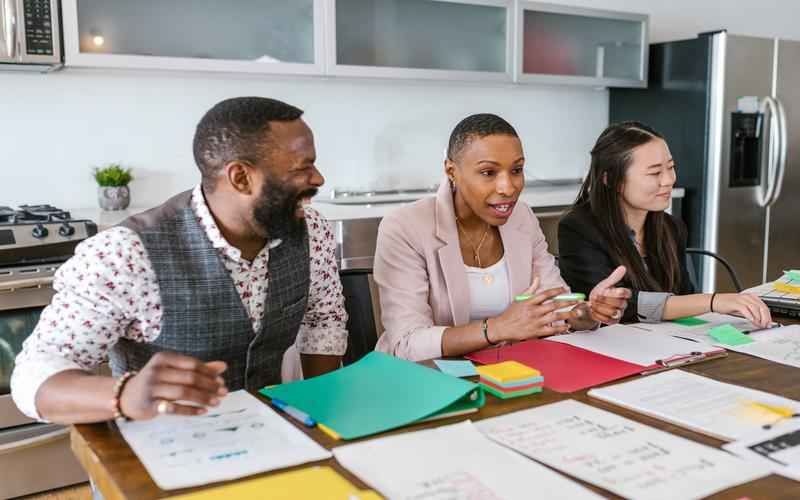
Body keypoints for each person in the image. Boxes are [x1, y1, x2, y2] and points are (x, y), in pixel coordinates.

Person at [11, 97, 348, 424]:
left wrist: (321, 413)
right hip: (158, 454)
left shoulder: (311, 229)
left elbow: (323, 320)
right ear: (241, 178)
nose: (318, 179)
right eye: (303, 167)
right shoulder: (126, 254)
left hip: (271, 437)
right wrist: (126, 395)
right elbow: (32, 377)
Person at [373, 113, 631, 361]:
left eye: (517, 170)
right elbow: (406, 344)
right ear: (451, 171)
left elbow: (554, 306)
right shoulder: (405, 227)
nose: (508, 188)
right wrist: (496, 328)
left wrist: (588, 313)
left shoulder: (522, 218)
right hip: (428, 380)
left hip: (508, 373)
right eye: (488, 173)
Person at [558, 121, 772, 327]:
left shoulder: (671, 227)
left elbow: (684, 298)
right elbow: (621, 308)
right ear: (612, 179)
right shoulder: (578, 228)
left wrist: (721, 306)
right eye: (655, 173)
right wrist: (713, 301)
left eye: (671, 167)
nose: (669, 180)